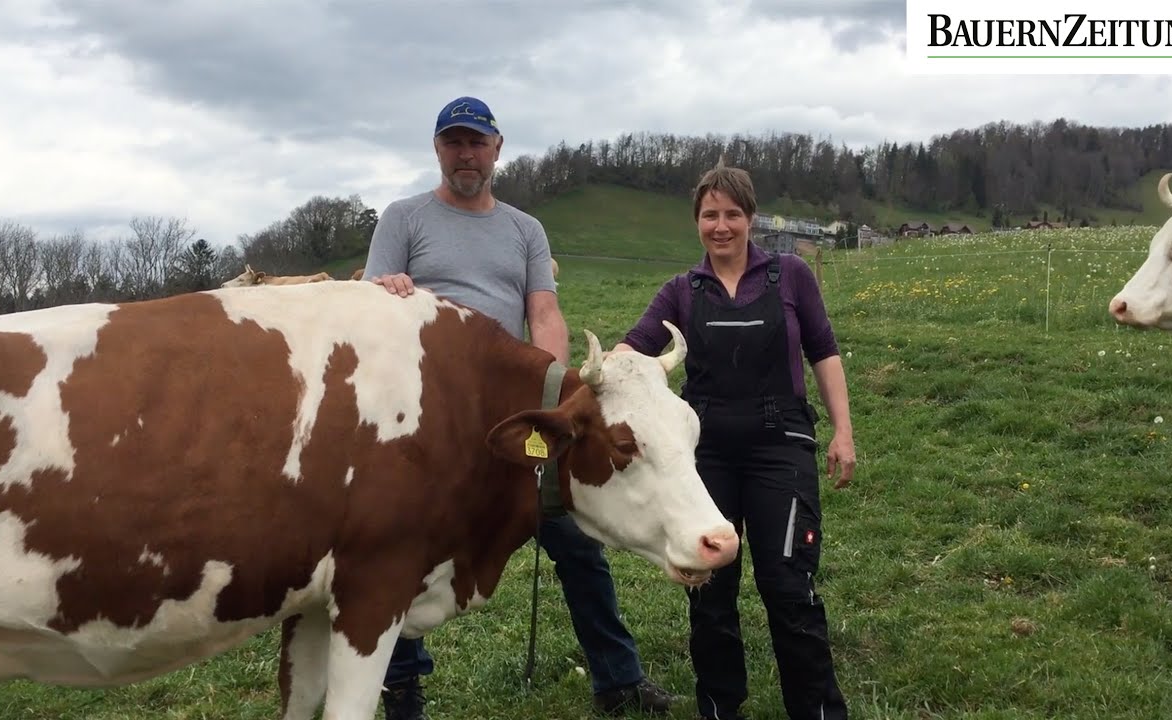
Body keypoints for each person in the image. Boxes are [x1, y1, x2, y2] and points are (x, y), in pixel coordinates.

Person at [361, 96, 678, 720]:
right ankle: (402, 692)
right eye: (453, 142)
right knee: (397, 548)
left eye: (476, 142)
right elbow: (370, 305)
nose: (465, 154)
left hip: (514, 414)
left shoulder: (524, 229)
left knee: (575, 539)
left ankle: (618, 680)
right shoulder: (403, 219)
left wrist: (550, 387)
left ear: (497, 149)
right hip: (426, 422)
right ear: (437, 149)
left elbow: (543, 313)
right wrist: (385, 288)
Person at [613, 160, 856, 720]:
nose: (720, 226)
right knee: (710, 591)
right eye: (708, 215)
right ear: (696, 222)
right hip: (706, 459)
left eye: (731, 214)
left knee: (789, 587)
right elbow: (634, 350)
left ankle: (817, 712)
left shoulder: (790, 275)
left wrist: (843, 431)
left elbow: (823, 351)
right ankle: (720, 708)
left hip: (783, 448)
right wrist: (597, 375)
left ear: (750, 218)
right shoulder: (680, 291)